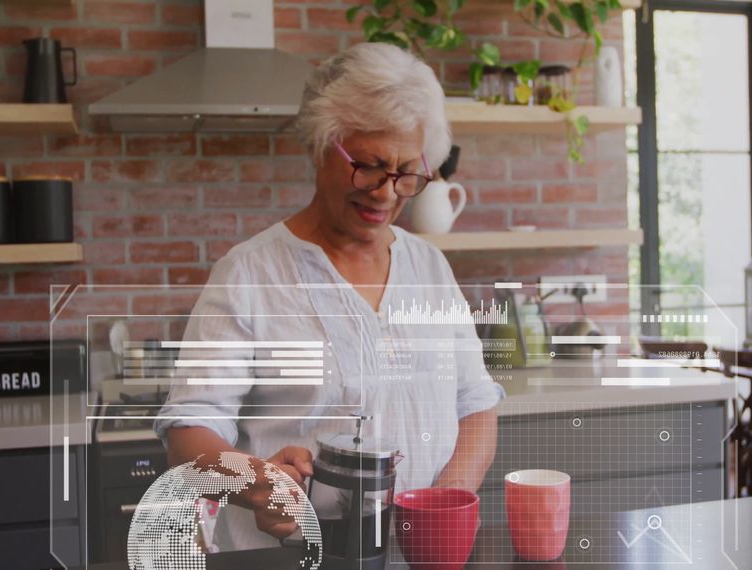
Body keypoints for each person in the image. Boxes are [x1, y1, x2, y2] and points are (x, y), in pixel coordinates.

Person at [154, 42, 503, 552]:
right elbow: (190, 428)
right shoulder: (250, 273)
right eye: (368, 165)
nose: (386, 193)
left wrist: (441, 507)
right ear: (321, 146)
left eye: (407, 172)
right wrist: (257, 482)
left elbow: (476, 406)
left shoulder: (428, 268)